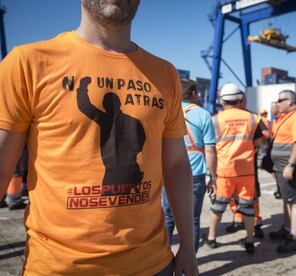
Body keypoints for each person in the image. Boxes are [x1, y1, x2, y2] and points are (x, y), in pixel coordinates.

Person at [0, 1, 198, 275]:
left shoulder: (165, 74)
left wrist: (188, 246)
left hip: (152, 264)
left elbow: (176, 164)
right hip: (59, 267)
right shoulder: (28, 63)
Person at [206, 83, 267, 254]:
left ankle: (211, 238)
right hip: (246, 171)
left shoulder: (215, 120)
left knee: (218, 207)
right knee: (248, 209)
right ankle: (249, 241)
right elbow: (260, 140)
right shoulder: (253, 118)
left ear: (222, 101)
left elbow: (210, 147)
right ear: (240, 99)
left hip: (224, 171)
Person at [162, 79, 217, 253]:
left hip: (169, 172)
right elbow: (210, 150)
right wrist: (213, 176)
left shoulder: (166, 111)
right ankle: (189, 266)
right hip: (195, 174)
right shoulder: (203, 114)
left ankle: (163, 263)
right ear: (194, 94)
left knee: (168, 217)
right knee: (191, 219)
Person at [268, 90, 296, 254]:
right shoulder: (285, 118)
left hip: (290, 167)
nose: (277, 103)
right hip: (281, 167)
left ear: (290, 101)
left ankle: (295, 238)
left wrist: (290, 165)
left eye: (280, 100)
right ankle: (287, 229)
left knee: (294, 201)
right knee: (287, 200)